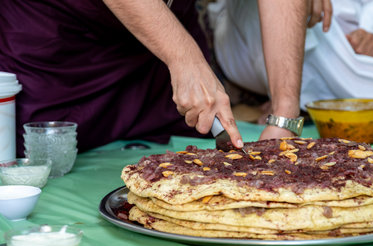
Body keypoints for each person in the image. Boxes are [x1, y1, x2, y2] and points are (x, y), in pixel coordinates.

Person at [0, 0, 308, 157]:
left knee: (194, 167)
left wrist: (284, 116)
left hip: (161, 52)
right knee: (40, 162)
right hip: (59, 44)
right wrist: (184, 57)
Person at [209, 0, 373, 123]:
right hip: (255, 24)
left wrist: (372, 27)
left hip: (344, 31)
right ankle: (286, 102)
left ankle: (309, 104)